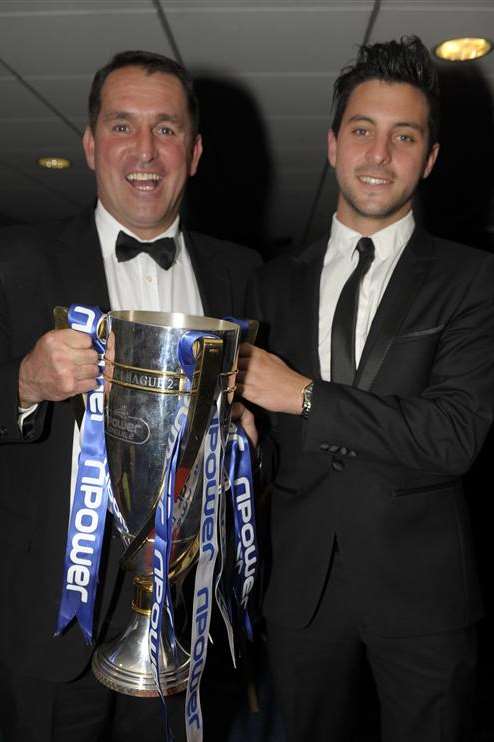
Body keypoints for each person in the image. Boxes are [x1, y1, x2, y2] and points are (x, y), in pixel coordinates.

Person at [237, 36, 494, 742]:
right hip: (299, 589)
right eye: (362, 131)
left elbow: (454, 435)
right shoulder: (270, 281)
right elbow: (262, 442)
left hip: (424, 592)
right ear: (331, 144)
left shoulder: (473, 280)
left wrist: (306, 398)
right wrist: (240, 424)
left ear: (430, 157)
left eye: (403, 137)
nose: (379, 156)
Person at [0, 50, 260, 742]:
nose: (145, 151)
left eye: (167, 130)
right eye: (122, 126)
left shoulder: (242, 275)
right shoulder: (18, 262)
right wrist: (23, 383)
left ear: (195, 152)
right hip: (51, 625)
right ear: (90, 144)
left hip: (181, 624)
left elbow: (259, 432)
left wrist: (252, 435)